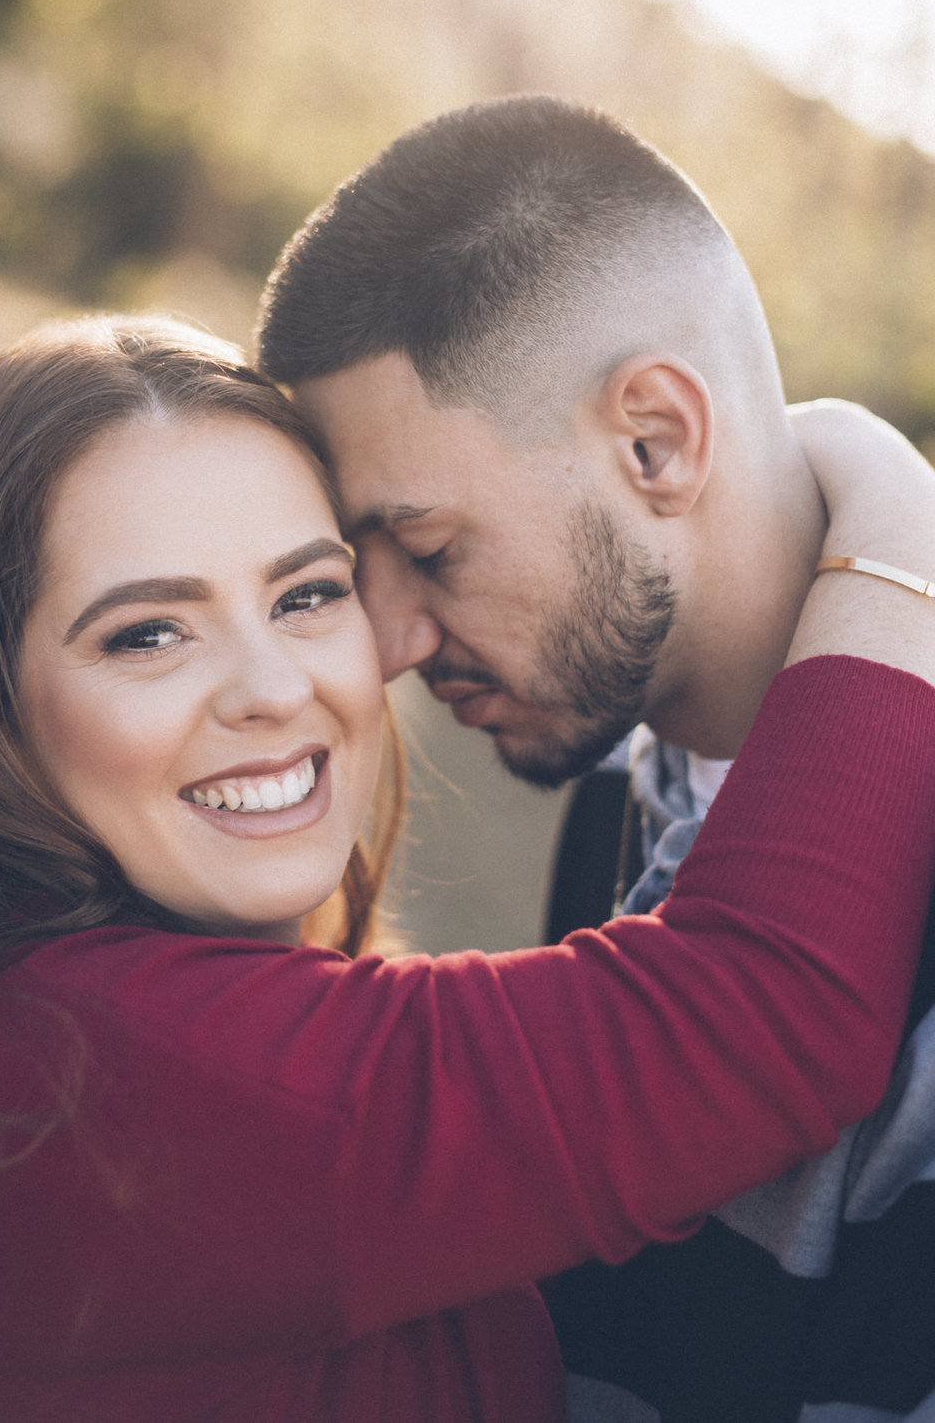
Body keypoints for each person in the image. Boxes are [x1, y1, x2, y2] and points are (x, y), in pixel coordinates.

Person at [0, 313, 934, 1423]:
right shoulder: (55, 1072)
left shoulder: (25, 1033)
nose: (272, 688)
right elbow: (763, 1013)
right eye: (148, 632)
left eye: (308, 593)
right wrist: (890, 507)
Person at [255, 94, 935, 1422]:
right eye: (356, 564)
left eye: (432, 548)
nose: (385, 643)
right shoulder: (621, 782)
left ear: (655, 441)